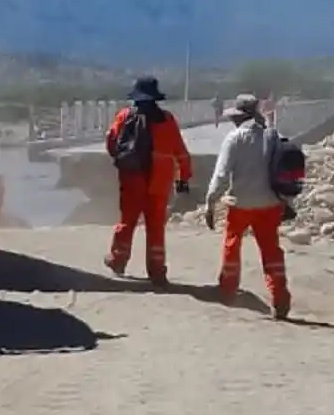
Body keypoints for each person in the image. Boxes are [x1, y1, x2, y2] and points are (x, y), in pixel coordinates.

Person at [203, 93, 291, 320]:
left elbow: (221, 175)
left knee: (232, 244)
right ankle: (280, 297)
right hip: (270, 204)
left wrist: (211, 202)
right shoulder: (273, 136)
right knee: (271, 251)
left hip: (240, 203)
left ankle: (228, 289)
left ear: (239, 117)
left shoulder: (234, 139)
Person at [104, 76, 193, 286]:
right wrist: (183, 177)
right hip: (159, 182)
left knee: (127, 222)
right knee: (155, 228)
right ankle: (157, 271)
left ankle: (118, 260)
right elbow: (181, 152)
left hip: (132, 179)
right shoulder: (167, 120)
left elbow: (111, 141)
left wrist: (122, 162)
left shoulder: (125, 116)